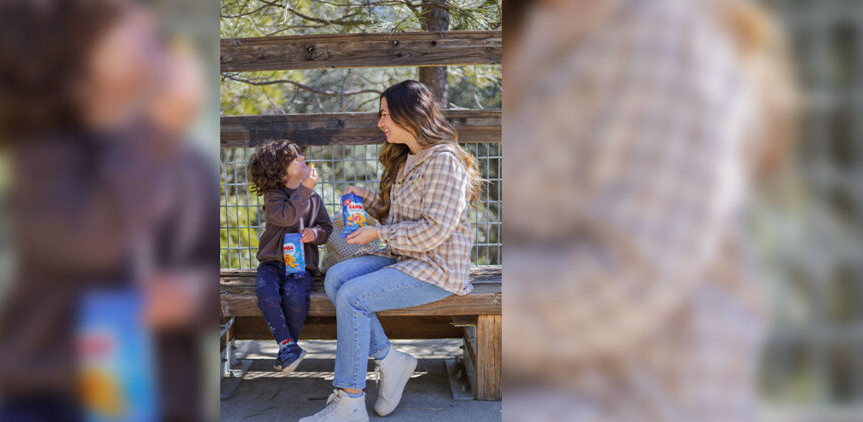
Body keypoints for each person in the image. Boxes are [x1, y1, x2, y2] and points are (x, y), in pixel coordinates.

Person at [502, 0, 798, 420]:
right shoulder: (538, 29)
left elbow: (630, 279)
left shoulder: (664, 36)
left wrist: (493, 302)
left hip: (638, 398)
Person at [0, 0, 216, 420]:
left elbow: (211, 278)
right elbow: (94, 238)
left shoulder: (186, 165)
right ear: (81, 54)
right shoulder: (45, 156)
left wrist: (187, 298)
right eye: (128, 20)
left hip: (162, 401)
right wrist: (160, 128)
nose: (153, 24)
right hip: (48, 400)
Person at [299, 80, 484, 421]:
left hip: (437, 268)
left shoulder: (444, 161)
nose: (381, 123)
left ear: (409, 115)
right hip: (405, 259)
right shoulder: (408, 159)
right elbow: (396, 210)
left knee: (353, 296)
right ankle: (390, 360)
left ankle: (349, 403)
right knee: (336, 277)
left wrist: (378, 233)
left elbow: (434, 230)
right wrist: (367, 198)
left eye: (385, 114)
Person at [247, 139, 333, 374]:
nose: (303, 159)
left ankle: (287, 348)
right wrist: (305, 188)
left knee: (295, 294)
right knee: (266, 292)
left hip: (301, 265)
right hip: (272, 262)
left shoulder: (313, 199)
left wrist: (313, 233)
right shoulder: (274, 196)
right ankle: (288, 347)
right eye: (296, 158)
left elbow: (326, 229)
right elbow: (286, 217)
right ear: (280, 172)